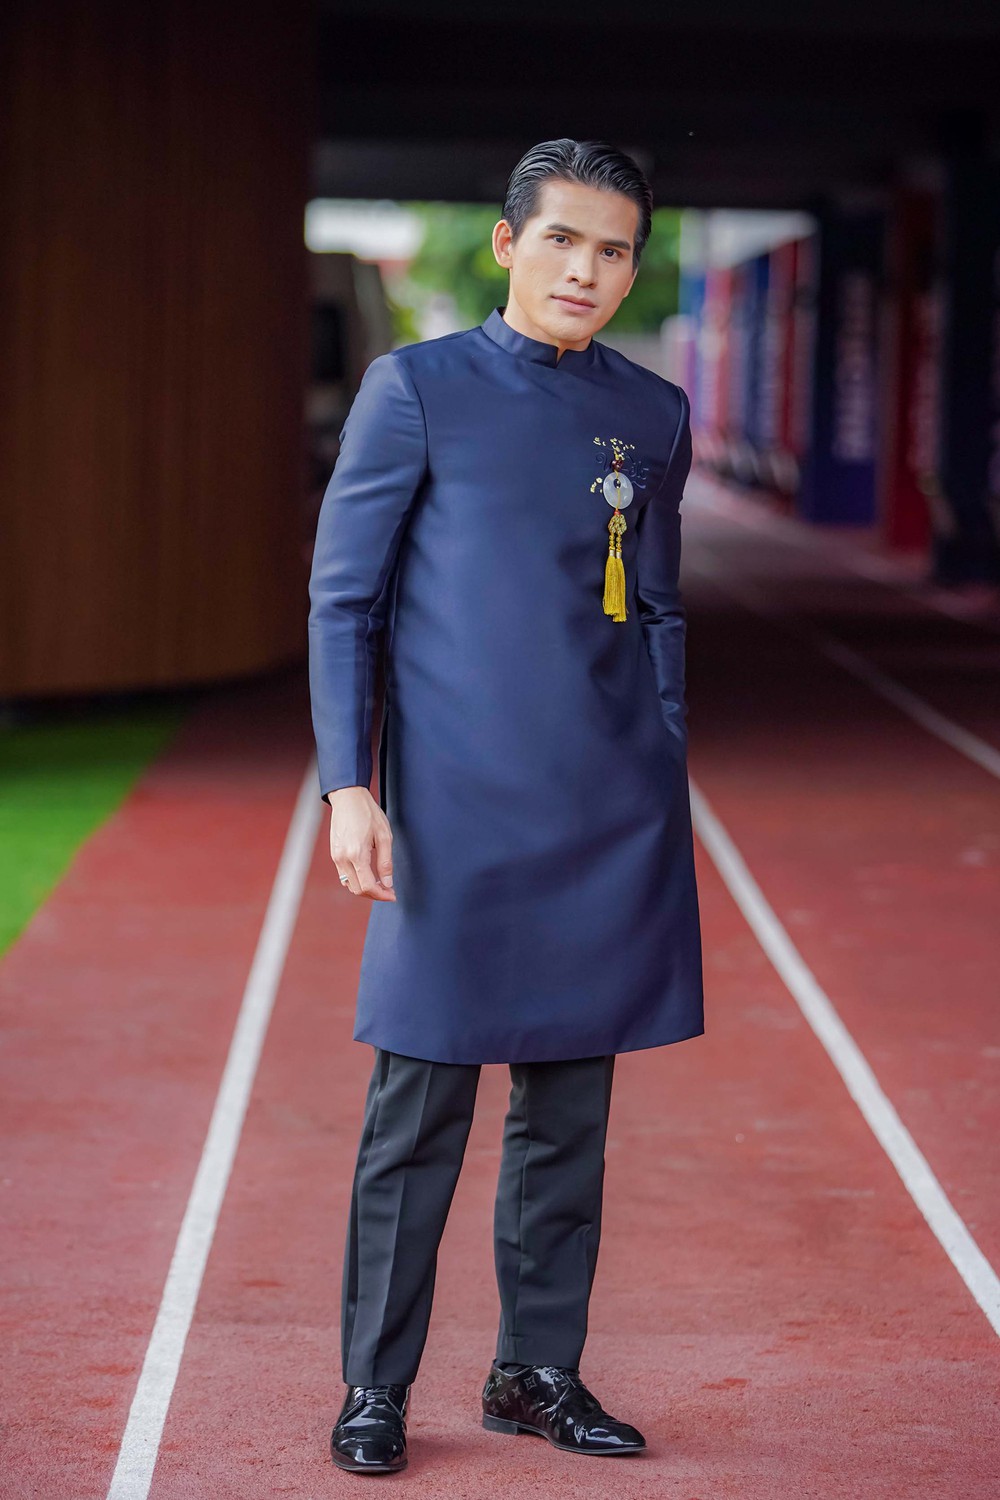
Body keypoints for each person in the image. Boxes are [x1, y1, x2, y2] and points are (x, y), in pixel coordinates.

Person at [307, 137, 704, 1475]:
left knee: (568, 1114)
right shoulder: (415, 389)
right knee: (417, 1111)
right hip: (452, 817)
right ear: (507, 245)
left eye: (613, 250)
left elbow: (657, 607)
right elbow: (345, 602)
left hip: (607, 814)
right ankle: (376, 1387)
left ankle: (536, 1373)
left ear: (631, 269)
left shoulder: (652, 414)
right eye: (563, 240)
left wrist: (659, 752)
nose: (586, 269)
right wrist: (351, 786)